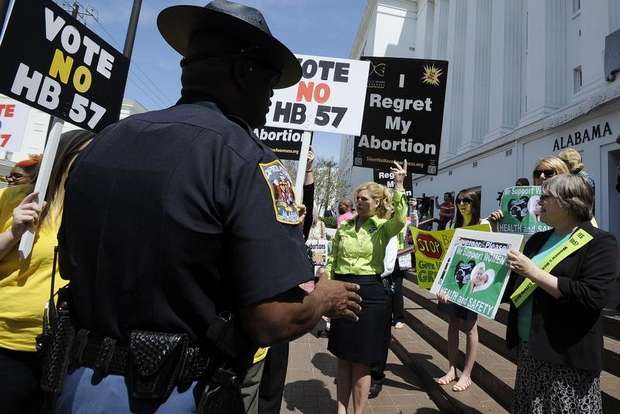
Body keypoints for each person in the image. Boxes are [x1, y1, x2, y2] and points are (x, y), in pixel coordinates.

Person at [54, 2, 362, 413]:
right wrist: (324, 298)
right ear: (242, 73)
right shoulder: (247, 160)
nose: (272, 95)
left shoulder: (104, 142)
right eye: (270, 79)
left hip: (75, 385)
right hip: (172, 395)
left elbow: (69, 263)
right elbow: (269, 319)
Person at [505, 174, 617, 413]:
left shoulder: (599, 242)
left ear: (569, 202)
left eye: (545, 197)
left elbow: (592, 297)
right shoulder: (537, 239)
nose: (538, 202)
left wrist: (534, 272)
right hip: (530, 350)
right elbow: (517, 286)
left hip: (567, 356)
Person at [0, 130, 93, 414]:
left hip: (63, 348)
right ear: (62, 156)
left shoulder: (91, 210)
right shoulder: (12, 198)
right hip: (7, 342)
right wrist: (13, 231)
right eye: (85, 155)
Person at [324, 161, 408, 414]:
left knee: (361, 362)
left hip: (370, 294)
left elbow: (401, 220)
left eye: (364, 199)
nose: (359, 202)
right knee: (342, 357)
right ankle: (341, 410)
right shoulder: (345, 227)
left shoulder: (383, 228)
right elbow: (333, 260)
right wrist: (326, 285)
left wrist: (400, 185)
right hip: (342, 289)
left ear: (376, 203)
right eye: (357, 198)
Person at [258, 148, 316, 414]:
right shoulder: (253, 229)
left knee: (272, 384)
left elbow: (309, 206)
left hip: (279, 320)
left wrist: (308, 171)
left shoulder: (293, 232)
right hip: (253, 319)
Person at [436, 189, 489, 392]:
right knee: (452, 324)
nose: (462, 204)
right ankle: (451, 369)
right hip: (453, 282)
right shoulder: (452, 224)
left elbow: (491, 255)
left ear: (475, 203)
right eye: (459, 200)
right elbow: (445, 258)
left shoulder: (484, 225)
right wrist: (440, 285)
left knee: (470, 327)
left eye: (467, 200)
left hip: (473, 283)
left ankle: (466, 374)